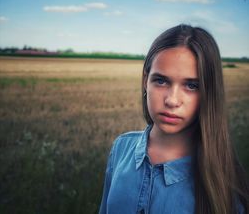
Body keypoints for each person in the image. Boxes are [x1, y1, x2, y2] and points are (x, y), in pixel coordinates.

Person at [99, 24, 249, 214]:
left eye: (192, 86)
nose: (171, 100)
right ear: (146, 81)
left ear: (209, 92)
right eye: (161, 81)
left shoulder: (226, 186)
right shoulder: (121, 148)